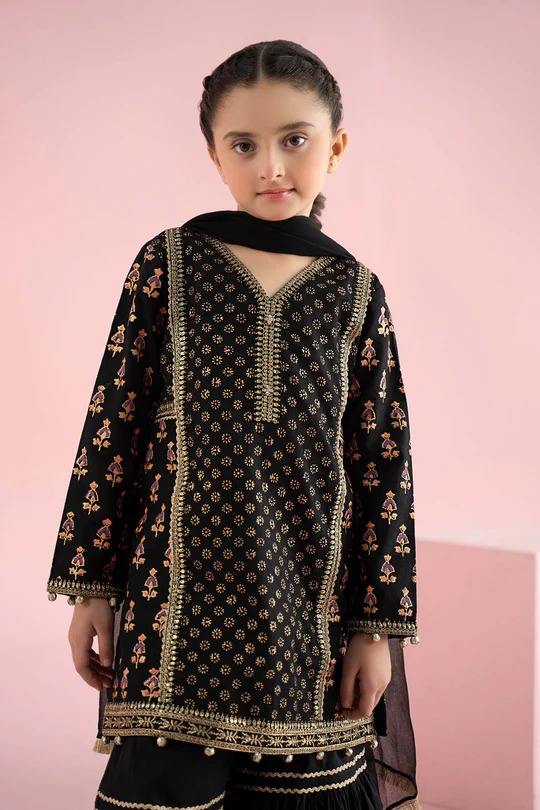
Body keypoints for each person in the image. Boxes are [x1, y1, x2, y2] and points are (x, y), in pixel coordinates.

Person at [46, 39, 421, 810]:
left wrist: (374, 629)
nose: (271, 166)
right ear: (214, 155)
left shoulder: (356, 292)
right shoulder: (170, 264)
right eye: (244, 145)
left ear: (336, 147)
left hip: (308, 624)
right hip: (171, 616)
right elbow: (112, 426)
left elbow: (384, 466)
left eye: (295, 140)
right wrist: (90, 588)